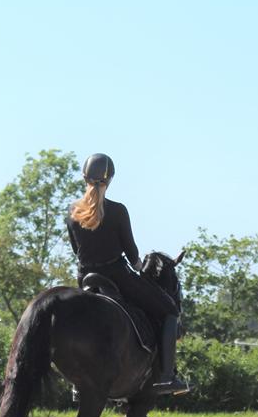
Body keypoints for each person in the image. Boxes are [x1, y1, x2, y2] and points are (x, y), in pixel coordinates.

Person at [66, 153, 189, 395]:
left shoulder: (71, 212)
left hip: (85, 279)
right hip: (117, 276)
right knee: (170, 311)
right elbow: (132, 256)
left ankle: (76, 384)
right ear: (110, 179)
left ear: (84, 178)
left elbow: (76, 251)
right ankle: (166, 376)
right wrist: (142, 269)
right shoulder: (118, 211)